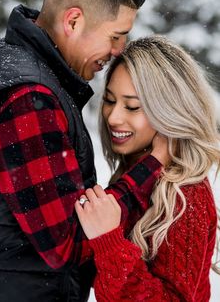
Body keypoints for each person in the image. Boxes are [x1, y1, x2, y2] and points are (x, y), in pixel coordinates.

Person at [0, 0, 170, 302]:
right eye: (116, 36)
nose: (119, 50)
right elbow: (71, 241)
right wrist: (153, 166)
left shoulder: (20, 69)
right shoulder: (28, 97)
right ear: (73, 21)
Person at [75, 35, 220, 301]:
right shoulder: (136, 176)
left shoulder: (186, 194)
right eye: (109, 100)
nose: (114, 117)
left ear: (169, 112)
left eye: (132, 107)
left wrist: (109, 242)